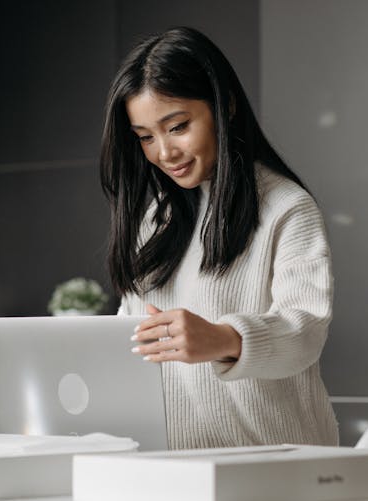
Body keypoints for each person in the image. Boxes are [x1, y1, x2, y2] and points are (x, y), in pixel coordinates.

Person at [99, 26, 339, 449]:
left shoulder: (286, 207)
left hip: (280, 467)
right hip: (177, 470)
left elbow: (306, 332)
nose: (164, 153)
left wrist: (225, 339)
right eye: (145, 138)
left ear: (223, 105)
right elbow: (133, 335)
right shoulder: (155, 219)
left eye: (177, 127)